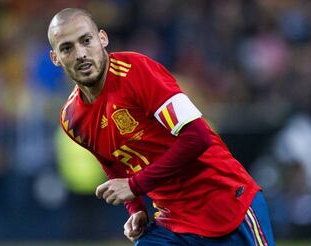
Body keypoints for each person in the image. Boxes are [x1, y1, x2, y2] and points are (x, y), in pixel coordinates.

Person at [48, 8, 275, 245]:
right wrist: (136, 209)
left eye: (86, 40)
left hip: (226, 204)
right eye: (67, 48)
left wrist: (135, 186)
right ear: (56, 58)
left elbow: (197, 137)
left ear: (102, 38)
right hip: (173, 222)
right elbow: (113, 163)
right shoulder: (72, 119)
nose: (81, 54)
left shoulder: (137, 72)